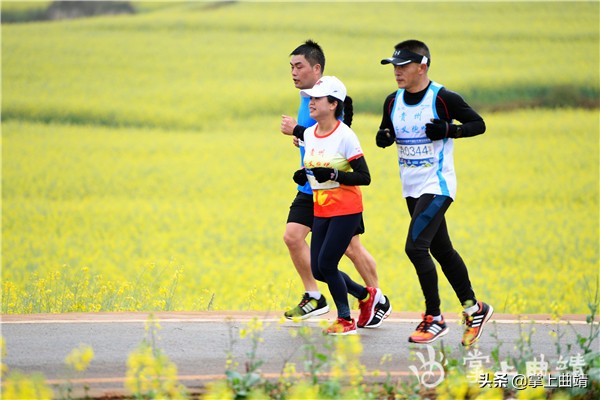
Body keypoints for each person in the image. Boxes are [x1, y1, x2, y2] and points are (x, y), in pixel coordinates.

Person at [376, 39, 493, 346]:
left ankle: (435, 317)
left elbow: (478, 124)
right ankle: (474, 308)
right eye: (394, 66)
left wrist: (449, 130)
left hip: (437, 185)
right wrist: (384, 136)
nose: (397, 72)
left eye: (403, 66)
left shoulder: (442, 98)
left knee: (415, 248)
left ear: (422, 66)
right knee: (441, 250)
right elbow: (386, 129)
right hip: (411, 188)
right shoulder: (392, 100)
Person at [281, 40, 391, 329]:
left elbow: (338, 138)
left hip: (338, 192)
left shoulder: (333, 100)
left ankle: (375, 297)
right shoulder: (306, 98)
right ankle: (315, 296)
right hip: (311, 188)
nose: (293, 72)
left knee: (351, 249)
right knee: (293, 237)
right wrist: (302, 137)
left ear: (316, 69)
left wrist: (298, 130)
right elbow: (316, 137)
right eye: (291, 67)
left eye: (299, 66)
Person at [292, 75, 375, 335]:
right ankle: (365, 295)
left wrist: (336, 176)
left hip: (346, 209)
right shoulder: (309, 134)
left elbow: (365, 177)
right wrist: (302, 174)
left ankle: (345, 319)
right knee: (318, 269)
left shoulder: (345, 136)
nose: (311, 103)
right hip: (321, 208)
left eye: (317, 99)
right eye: (310, 99)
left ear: (333, 104)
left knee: (327, 264)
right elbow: (318, 167)